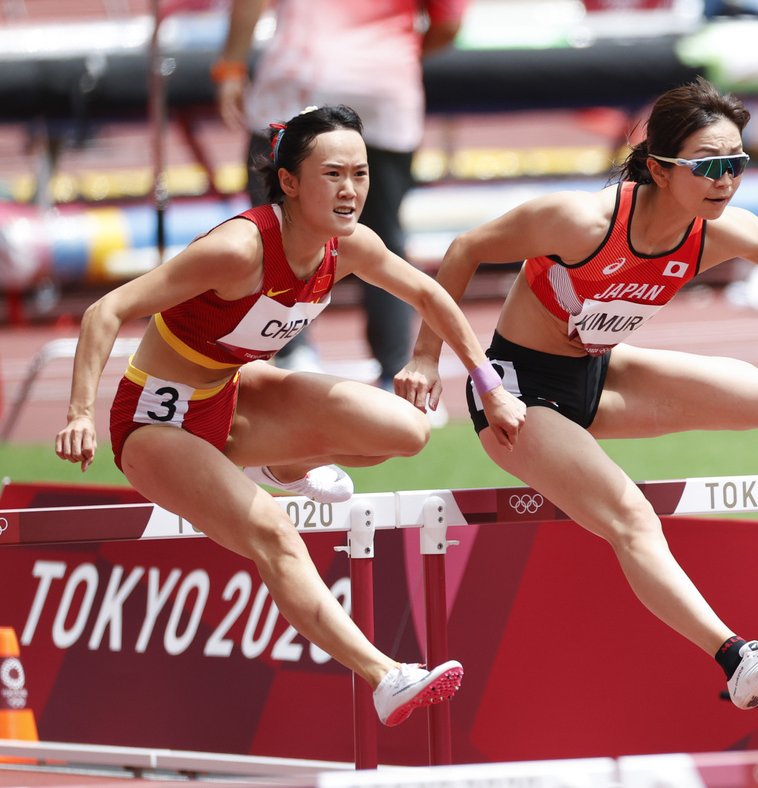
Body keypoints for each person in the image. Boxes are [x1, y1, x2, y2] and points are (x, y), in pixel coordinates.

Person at [398, 78, 758, 710]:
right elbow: (464, 249)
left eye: (736, 164)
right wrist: (429, 357)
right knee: (630, 516)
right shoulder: (581, 220)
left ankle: (574, 445)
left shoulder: (717, 232)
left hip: (601, 375)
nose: (726, 180)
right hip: (519, 393)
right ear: (661, 169)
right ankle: (737, 657)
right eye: (709, 166)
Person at [54, 105, 525, 726]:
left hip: (233, 397)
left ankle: (283, 463)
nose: (351, 189)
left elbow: (429, 293)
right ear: (289, 182)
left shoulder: (349, 246)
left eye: (359, 173)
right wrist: (79, 414)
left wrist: (484, 383)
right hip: (155, 423)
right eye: (333, 174)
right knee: (274, 533)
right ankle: (386, 676)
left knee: (405, 429)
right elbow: (104, 312)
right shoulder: (237, 250)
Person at [211, 0, 467, 385]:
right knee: (382, 235)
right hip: (383, 87)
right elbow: (449, 23)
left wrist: (230, 67)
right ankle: (398, 368)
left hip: (298, 80)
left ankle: (292, 354)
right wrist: (389, 53)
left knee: (275, 231)